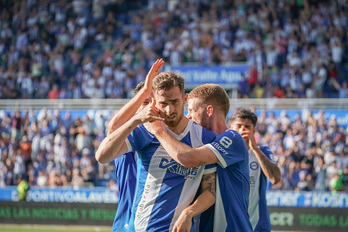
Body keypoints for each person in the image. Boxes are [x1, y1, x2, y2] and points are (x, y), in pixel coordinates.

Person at [95, 59, 217, 231]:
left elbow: (210, 190)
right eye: (163, 104)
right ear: (154, 103)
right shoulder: (145, 131)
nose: (169, 110)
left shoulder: (206, 138)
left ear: (185, 99)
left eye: (175, 102)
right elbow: (102, 156)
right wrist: (136, 119)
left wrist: (189, 212)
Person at [145, 84, 252, 232]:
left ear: (209, 110)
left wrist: (157, 130)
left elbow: (189, 158)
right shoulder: (203, 144)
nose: (188, 116)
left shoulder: (233, 138)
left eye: (191, 110)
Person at [108, 80, 152, 232]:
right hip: (126, 223)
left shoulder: (167, 140)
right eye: (145, 102)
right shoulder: (128, 136)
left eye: (155, 102)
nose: (151, 107)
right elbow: (114, 128)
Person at [229, 109, 281, 232]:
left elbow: (275, 178)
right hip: (231, 224)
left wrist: (255, 148)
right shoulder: (224, 152)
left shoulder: (263, 152)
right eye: (238, 126)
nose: (242, 130)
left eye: (247, 127)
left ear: (254, 131)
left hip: (257, 225)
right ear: (231, 128)